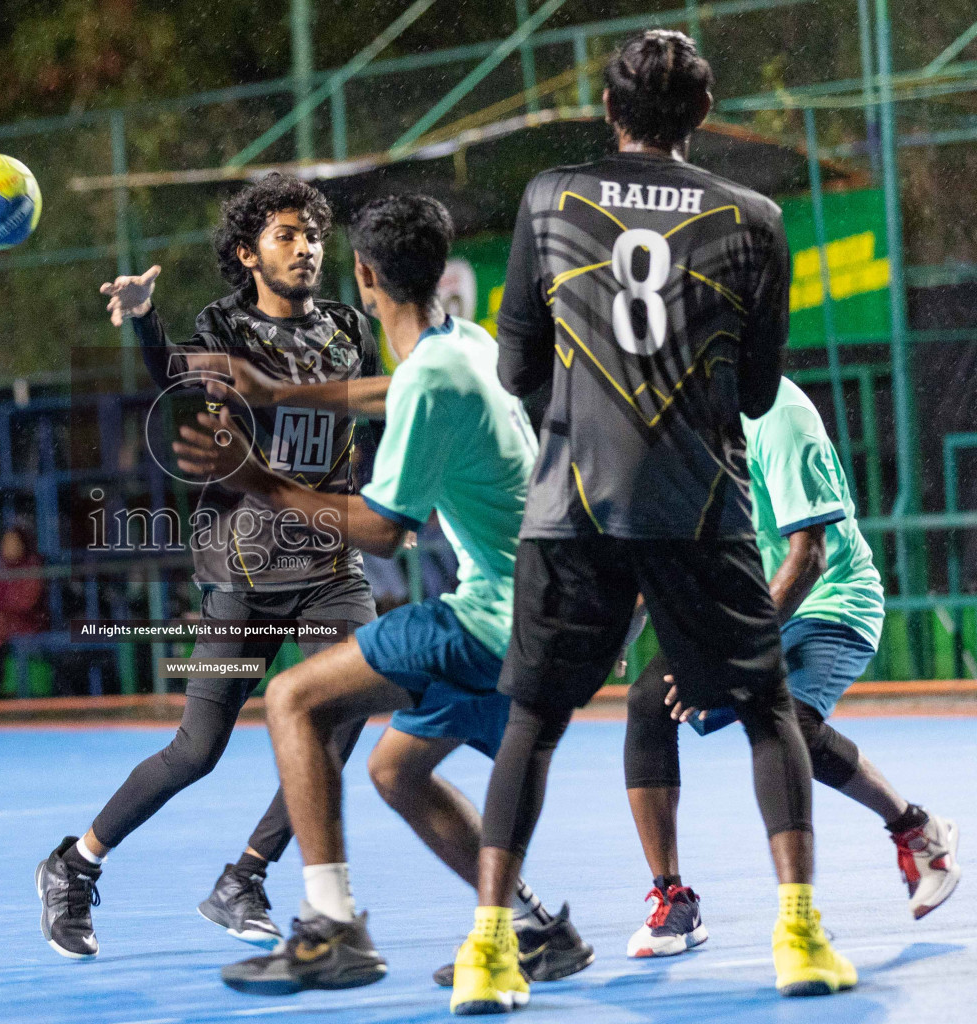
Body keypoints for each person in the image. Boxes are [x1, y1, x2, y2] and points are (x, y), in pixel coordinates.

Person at [453, 29, 856, 1014]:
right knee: (766, 712)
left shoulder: (549, 197)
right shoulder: (755, 217)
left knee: (534, 725)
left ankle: (488, 952)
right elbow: (758, 393)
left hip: (573, 506)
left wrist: (590, 412)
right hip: (699, 507)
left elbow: (515, 369)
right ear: (703, 117)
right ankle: (800, 934)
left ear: (607, 106)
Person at [173, 194, 594, 996]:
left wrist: (256, 478)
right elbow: (390, 391)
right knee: (397, 769)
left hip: (492, 621)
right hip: (548, 616)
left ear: (363, 276)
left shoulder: (435, 376)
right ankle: (537, 932)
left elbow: (379, 530)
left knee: (294, 700)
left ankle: (332, 929)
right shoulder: (465, 342)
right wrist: (275, 394)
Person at [36, 174, 383, 960]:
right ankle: (74, 865)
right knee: (198, 749)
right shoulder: (224, 327)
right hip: (245, 567)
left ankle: (245, 878)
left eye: (312, 235)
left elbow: (361, 419)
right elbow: (176, 373)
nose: (306, 248)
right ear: (246, 252)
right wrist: (144, 322)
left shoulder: (349, 328)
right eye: (287, 235)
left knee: (353, 702)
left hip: (330, 563)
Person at [622, 377, 960, 957]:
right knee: (647, 701)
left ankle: (912, 832)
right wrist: (620, 629)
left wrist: (726, 652)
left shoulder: (778, 416)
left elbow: (808, 559)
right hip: (743, 600)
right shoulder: (673, 430)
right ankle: (672, 898)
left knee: (781, 721)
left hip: (832, 600)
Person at [0, 524, 47, 698]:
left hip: (25, 622)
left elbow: (26, 604)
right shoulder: (0, 569)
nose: (10, 547)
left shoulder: (32, 568)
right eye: (6, 543)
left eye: (14, 543)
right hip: (0, 623)